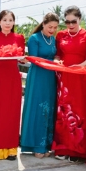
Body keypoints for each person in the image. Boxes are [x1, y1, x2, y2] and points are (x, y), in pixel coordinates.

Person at [53, 5, 86, 162]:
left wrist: (78, 67)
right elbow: (57, 54)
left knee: (80, 112)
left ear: (80, 20)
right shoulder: (60, 35)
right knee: (64, 113)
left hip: (80, 79)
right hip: (64, 78)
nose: (70, 25)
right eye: (67, 22)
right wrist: (57, 62)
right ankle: (64, 148)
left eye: (73, 21)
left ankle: (80, 150)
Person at [0, 10, 25, 160]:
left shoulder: (19, 38)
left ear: (14, 22)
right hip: (0, 78)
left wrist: (24, 60)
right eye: (5, 20)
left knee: (13, 112)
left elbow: (21, 59)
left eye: (10, 20)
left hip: (14, 78)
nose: (8, 23)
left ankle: (12, 148)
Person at [20, 12, 59, 157]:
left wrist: (56, 62)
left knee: (48, 109)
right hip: (38, 76)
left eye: (55, 27)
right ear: (43, 24)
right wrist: (53, 63)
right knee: (36, 108)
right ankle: (34, 145)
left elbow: (54, 55)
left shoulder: (53, 39)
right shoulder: (34, 38)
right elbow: (35, 59)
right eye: (50, 26)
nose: (52, 30)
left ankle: (45, 145)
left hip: (50, 77)